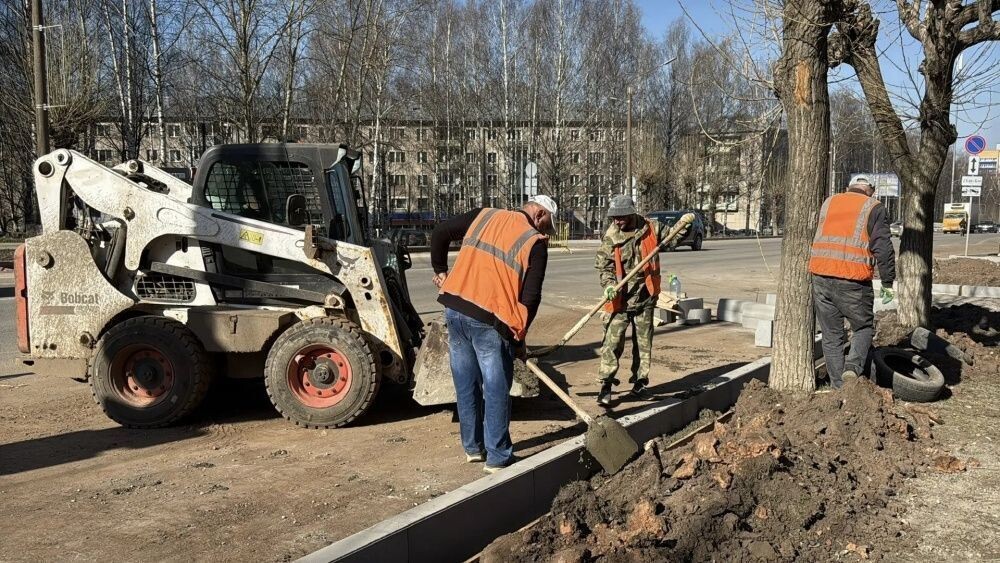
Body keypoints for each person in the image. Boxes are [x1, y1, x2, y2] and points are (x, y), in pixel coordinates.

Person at [430, 195, 555, 473]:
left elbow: (439, 232)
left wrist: (440, 271)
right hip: (490, 320)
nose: (545, 231)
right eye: (547, 225)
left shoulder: (484, 215)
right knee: (496, 388)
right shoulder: (535, 243)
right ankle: (497, 456)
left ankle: (473, 448)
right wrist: (519, 339)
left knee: (466, 383)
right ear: (539, 213)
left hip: (455, 310)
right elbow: (530, 298)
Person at [809, 174, 897, 389]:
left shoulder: (829, 202)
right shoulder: (874, 207)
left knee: (831, 335)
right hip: (853, 279)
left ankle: (839, 387)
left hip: (820, 276)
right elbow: (882, 247)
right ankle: (852, 368)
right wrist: (887, 281)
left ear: (848, 188)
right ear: (871, 190)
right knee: (864, 327)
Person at [594, 195, 682, 406]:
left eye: (621, 217)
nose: (617, 221)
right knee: (612, 343)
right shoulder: (611, 236)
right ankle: (606, 385)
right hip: (621, 300)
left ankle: (640, 384)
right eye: (614, 217)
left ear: (631, 214)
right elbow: (603, 266)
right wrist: (608, 285)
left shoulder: (652, 228)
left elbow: (673, 238)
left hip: (646, 296)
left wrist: (684, 223)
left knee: (643, 344)